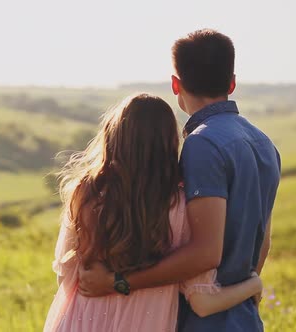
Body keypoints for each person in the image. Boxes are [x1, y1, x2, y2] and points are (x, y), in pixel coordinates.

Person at [76, 30, 281, 332]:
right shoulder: (264, 144)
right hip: (243, 318)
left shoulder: (203, 144)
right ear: (232, 82)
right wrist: (247, 289)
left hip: (201, 322)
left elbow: (206, 252)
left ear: (176, 84)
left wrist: (118, 282)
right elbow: (262, 241)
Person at [44, 93, 263, 332]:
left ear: (113, 137)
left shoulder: (86, 193)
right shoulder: (179, 207)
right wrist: (253, 284)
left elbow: (64, 278)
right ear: (169, 144)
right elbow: (203, 303)